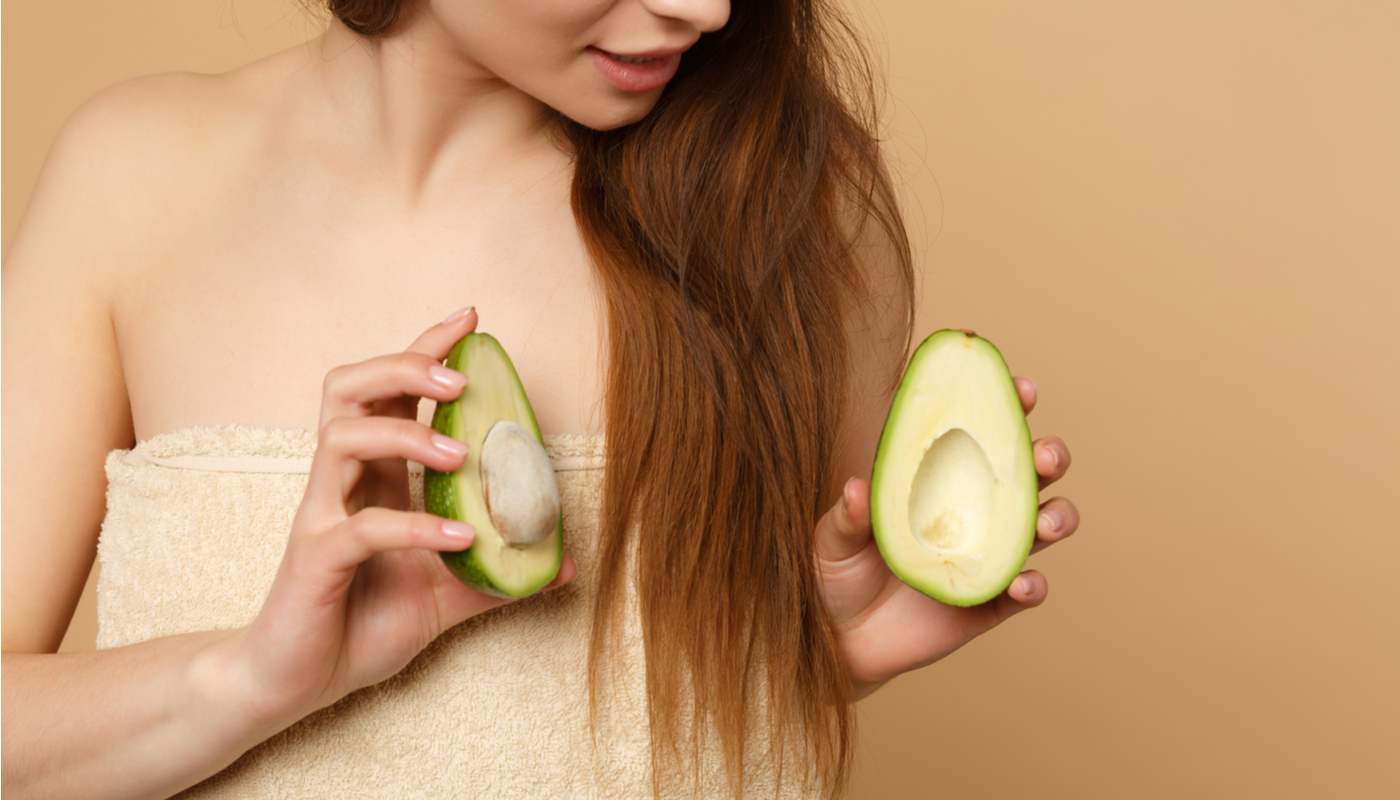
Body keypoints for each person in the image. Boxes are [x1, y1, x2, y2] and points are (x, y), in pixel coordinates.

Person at [1, 1, 1079, 797]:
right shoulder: (134, 178)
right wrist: (247, 680)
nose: (702, 9)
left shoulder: (787, 195)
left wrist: (807, 649)